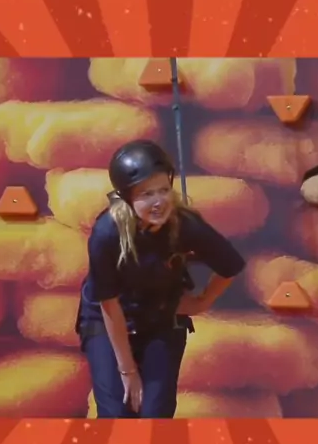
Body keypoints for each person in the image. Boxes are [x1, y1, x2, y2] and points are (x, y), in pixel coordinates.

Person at [76, 139, 246, 418]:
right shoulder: (107, 232)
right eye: (146, 194)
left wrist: (202, 302)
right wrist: (128, 371)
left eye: (164, 190)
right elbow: (109, 304)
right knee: (117, 412)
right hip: (108, 320)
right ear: (127, 197)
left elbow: (230, 265)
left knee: (155, 414)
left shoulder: (185, 224)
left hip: (162, 317)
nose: (159, 202)